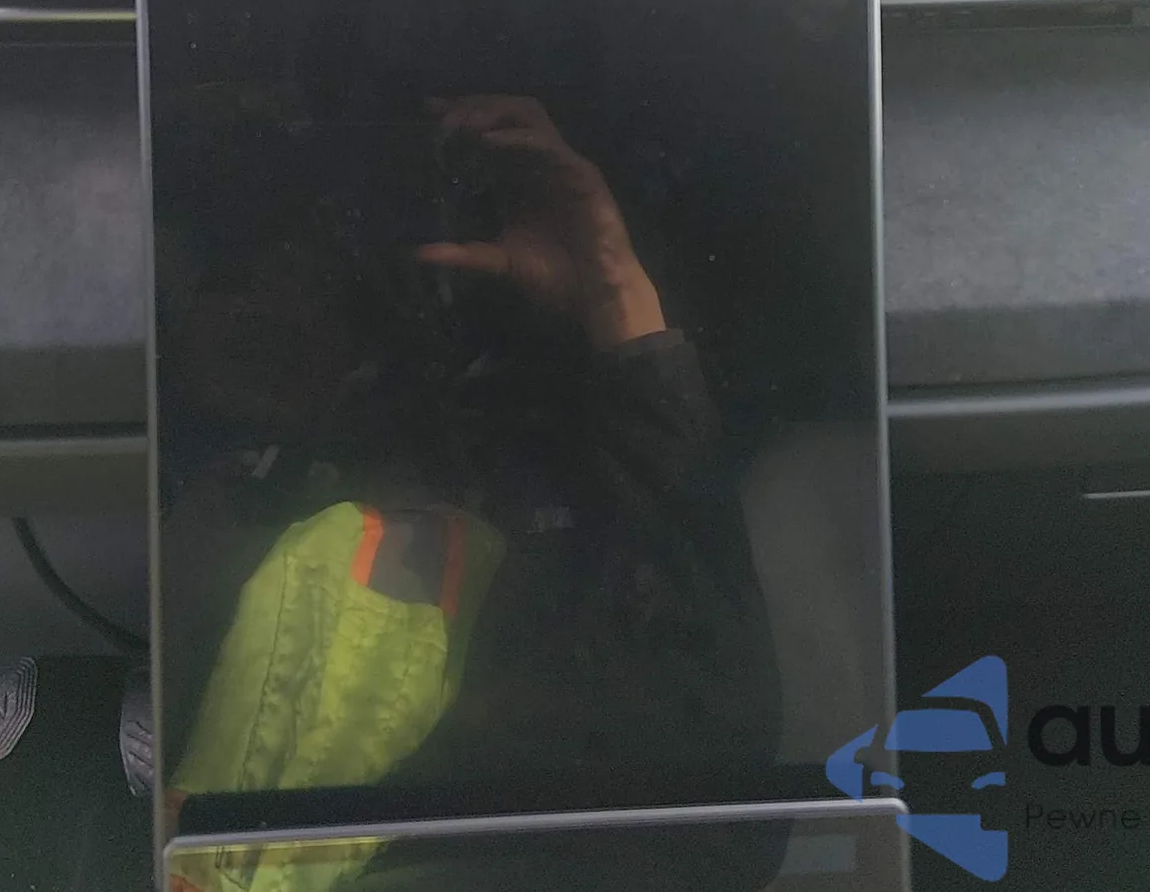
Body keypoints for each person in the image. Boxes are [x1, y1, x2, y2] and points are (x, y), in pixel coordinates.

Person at [163, 96, 782, 892]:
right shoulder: (222, 511)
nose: (275, 299)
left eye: (312, 264)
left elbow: (712, 783)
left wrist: (615, 296)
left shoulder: (578, 493)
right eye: (253, 272)